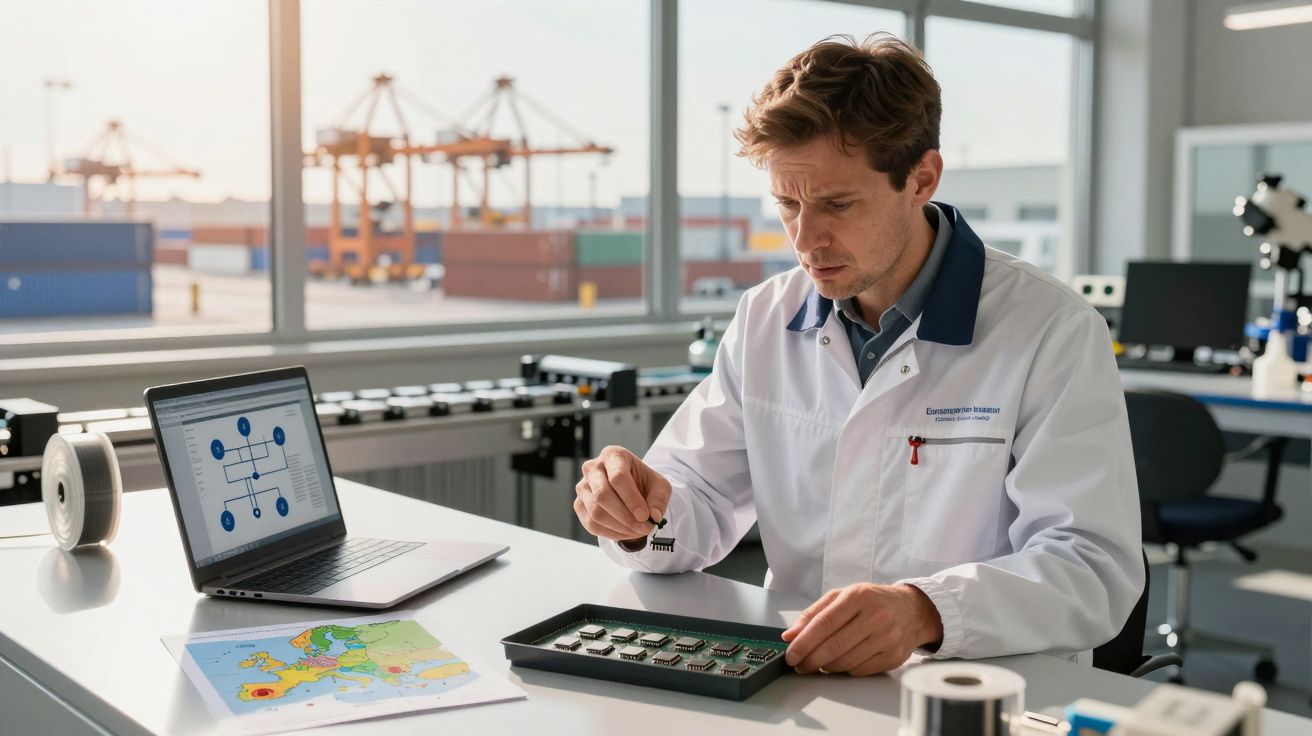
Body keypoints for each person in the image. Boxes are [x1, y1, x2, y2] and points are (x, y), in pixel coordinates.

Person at [572, 33, 1142, 676]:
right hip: (802, 677)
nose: (806, 239)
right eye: (787, 204)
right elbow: (696, 503)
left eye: (837, 204)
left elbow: (1090, 565)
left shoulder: (1051, 330)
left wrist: (925, 610)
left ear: (921, 178)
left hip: (984, 686)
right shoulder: (765, 317)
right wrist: (637, 511)